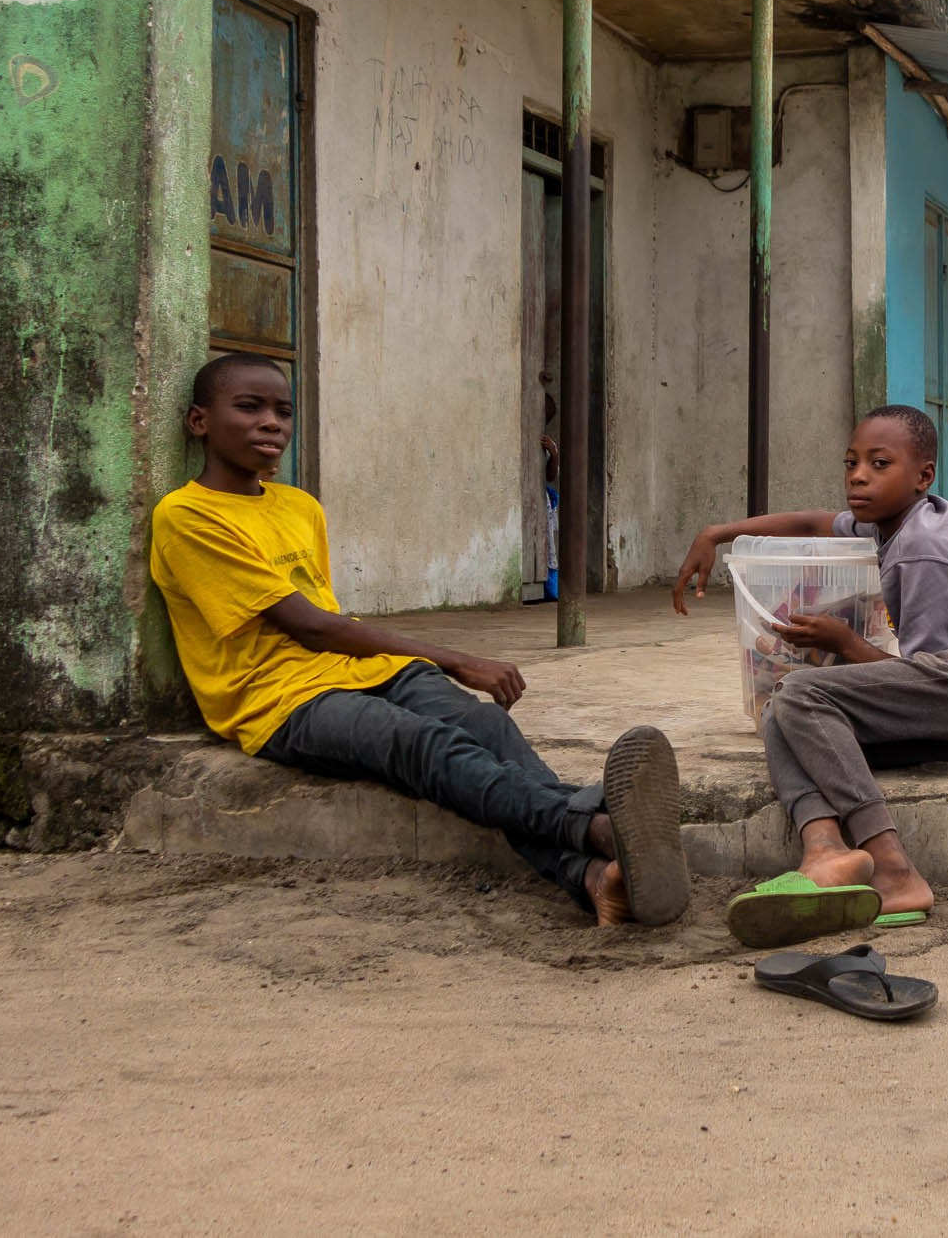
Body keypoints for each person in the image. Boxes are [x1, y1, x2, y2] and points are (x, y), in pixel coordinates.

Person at [150, 351, 690, 928]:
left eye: (283, 411)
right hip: (280, 701)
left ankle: (591, 877)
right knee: (426, 746)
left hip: (360, 669)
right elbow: (308, 623)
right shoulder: (187, 516)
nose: (271, 423)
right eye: (250, 407)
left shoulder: (299, 507)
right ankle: (594, 826)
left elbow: (332, 619)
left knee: (486, 726)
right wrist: (456, 659)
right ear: (199, 422)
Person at [672, 405, 948, 929]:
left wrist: (846, 643)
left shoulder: (925, 545)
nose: (858, 476)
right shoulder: (884, 523)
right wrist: (716, 533)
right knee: (782, 712)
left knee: (805, 693)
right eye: (851, 463)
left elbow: (926, 672)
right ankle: (824, 848)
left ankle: (893, 870)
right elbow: (810, 522)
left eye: (879, 464)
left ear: (923, 477)